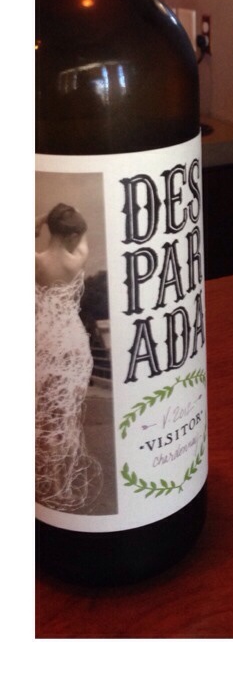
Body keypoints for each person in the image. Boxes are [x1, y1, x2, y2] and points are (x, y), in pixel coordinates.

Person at [36, 205, 99, 513]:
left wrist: (41, 221)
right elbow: (82, 238)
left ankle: (52, 482)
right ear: (73, 233)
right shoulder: (78, 260)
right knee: (67, 417)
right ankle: (63, 483)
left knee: (47, 416)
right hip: (73, 343)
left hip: (46, 343)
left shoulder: (36, 262)